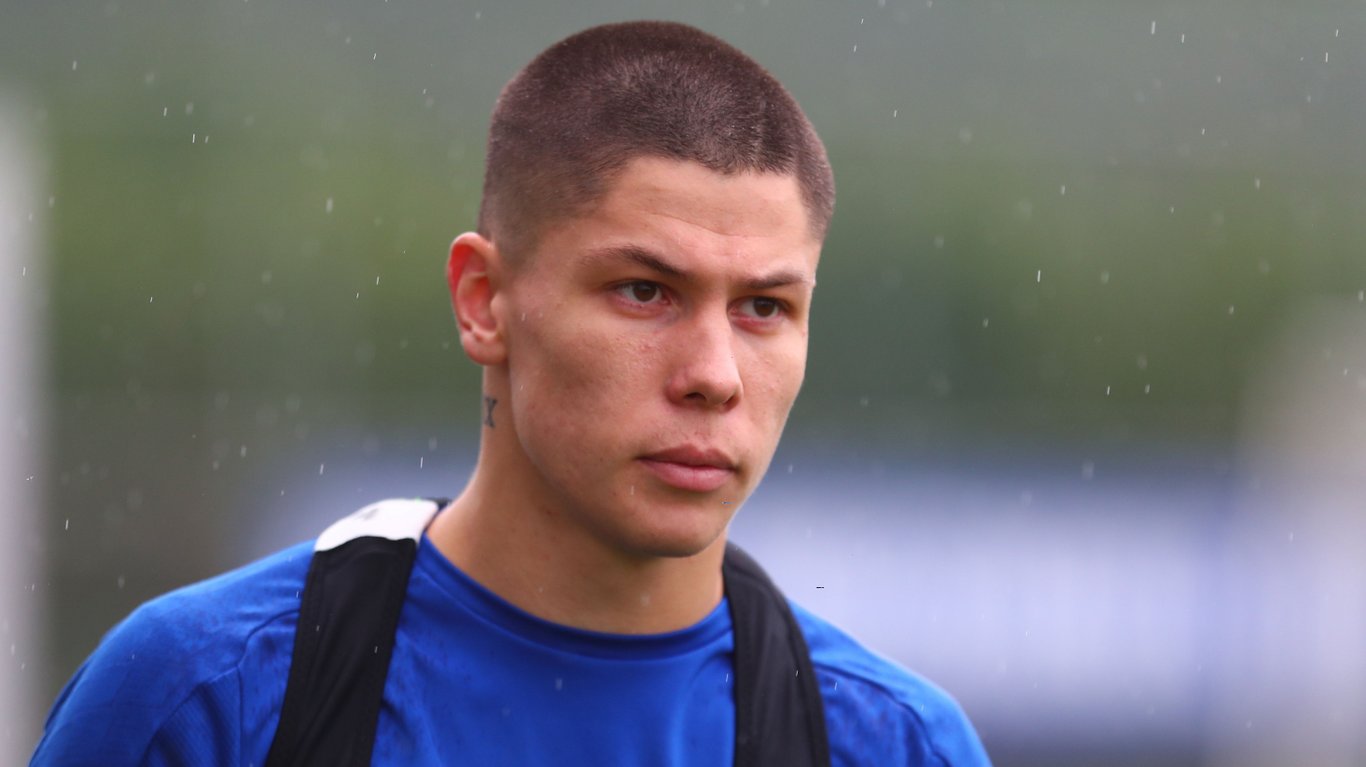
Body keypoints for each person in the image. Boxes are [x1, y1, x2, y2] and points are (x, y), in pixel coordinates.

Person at [32, 20, 991, 766]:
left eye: (764, 307)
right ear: (484, 300)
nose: (714, 373)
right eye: (645, 291)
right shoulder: (209, 698)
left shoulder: (895, 744)